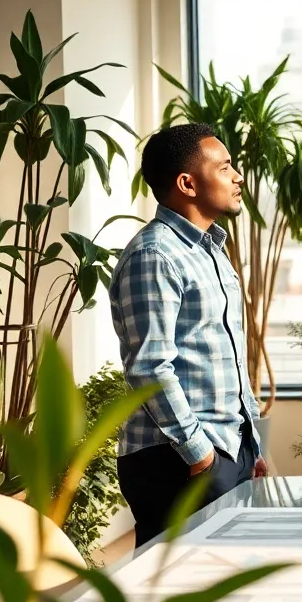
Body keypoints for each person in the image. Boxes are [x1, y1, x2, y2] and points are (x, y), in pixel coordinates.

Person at [110, 123, 267, 547]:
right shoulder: (155, 255)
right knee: (175, 594)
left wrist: (251, 445)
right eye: (226, 167)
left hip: (224, 452)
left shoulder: (210, 250)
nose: (238, 177)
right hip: (176, 462)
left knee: (225, 588)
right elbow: (149, 368)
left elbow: (227, 355)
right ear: (188, 183)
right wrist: (200, 456)